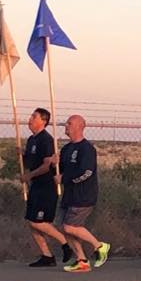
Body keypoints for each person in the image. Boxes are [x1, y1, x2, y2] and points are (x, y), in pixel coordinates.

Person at [54, 115, 110, 272]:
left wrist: (65, 179)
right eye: (66, 123)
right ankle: (81, 260)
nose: (66, 126)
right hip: (69, 195)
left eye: (69, 123)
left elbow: (86, 172)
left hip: (84, 195)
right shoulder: (66, 149)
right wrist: (54, 165)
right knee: (65, 228)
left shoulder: (87, 149)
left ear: (80, 126)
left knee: (70, 227)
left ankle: (99, 246)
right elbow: (60, 172)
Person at [21, 108, 72, 267]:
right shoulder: (31, 140)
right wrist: (22, 155)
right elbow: (30, 162)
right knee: (31, 221)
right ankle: (46, 256)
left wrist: (29, 176)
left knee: (38, 222)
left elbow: (46, 166)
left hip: (46, 186)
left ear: (43, 121)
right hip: (35, 186)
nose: (30, 119)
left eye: (34, 116)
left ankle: (65, 244)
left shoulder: (46, 140)